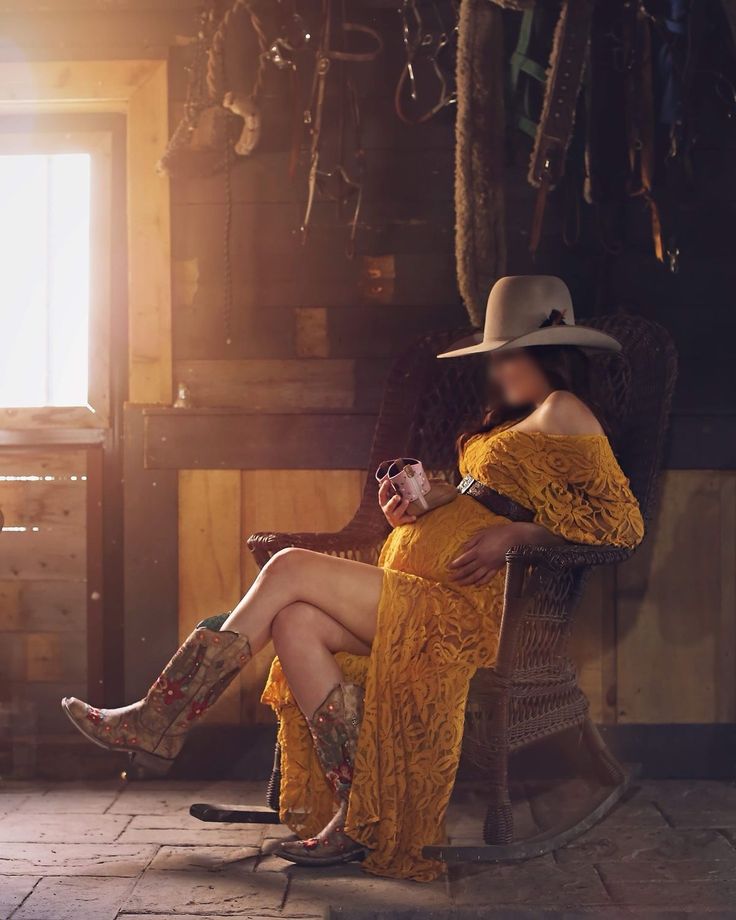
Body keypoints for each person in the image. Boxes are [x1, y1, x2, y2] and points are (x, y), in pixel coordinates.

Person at [62, 275, 644, 882]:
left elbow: (621, 524)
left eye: (508, 354)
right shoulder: (520, 417)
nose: (497, 370)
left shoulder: (566, 410)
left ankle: (161, 718)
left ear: (548, 350)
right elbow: (503, 494)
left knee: (287, 566)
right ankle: (352, 810)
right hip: (424, 594)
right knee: (294, 621)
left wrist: (517, 536)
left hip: (466, 611)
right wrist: (436, 500)